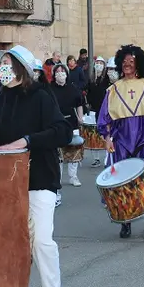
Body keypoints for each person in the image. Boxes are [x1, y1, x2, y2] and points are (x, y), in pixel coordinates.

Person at [0, 45, 70, 287]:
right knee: (12, 242)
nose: (2, 67)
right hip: (8, 182)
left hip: (40, 177)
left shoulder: (40, 96)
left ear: (21, 67)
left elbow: (61, 131)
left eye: (7, 62)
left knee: (40, 239)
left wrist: (28, 141)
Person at [97, 44, 144, 240]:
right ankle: (125, 221)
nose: (127, 64)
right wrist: (107, 138)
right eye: (125, 61)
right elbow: (105, 118)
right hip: (122, 139)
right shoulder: (113, 89)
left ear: (138, 64)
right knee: (123, 182)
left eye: (132, 61)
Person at [50, 63, 85, 192]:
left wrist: (80, 118)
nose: (60, 74)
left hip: (72, 123)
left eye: (62, 72)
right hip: (56, 124)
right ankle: (57, 178)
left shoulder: (73, 89)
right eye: (58, 72)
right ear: (54, 75)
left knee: (73, 151)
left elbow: (79, 104)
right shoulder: (50, 89)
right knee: (58, 154)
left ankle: (73, 176)